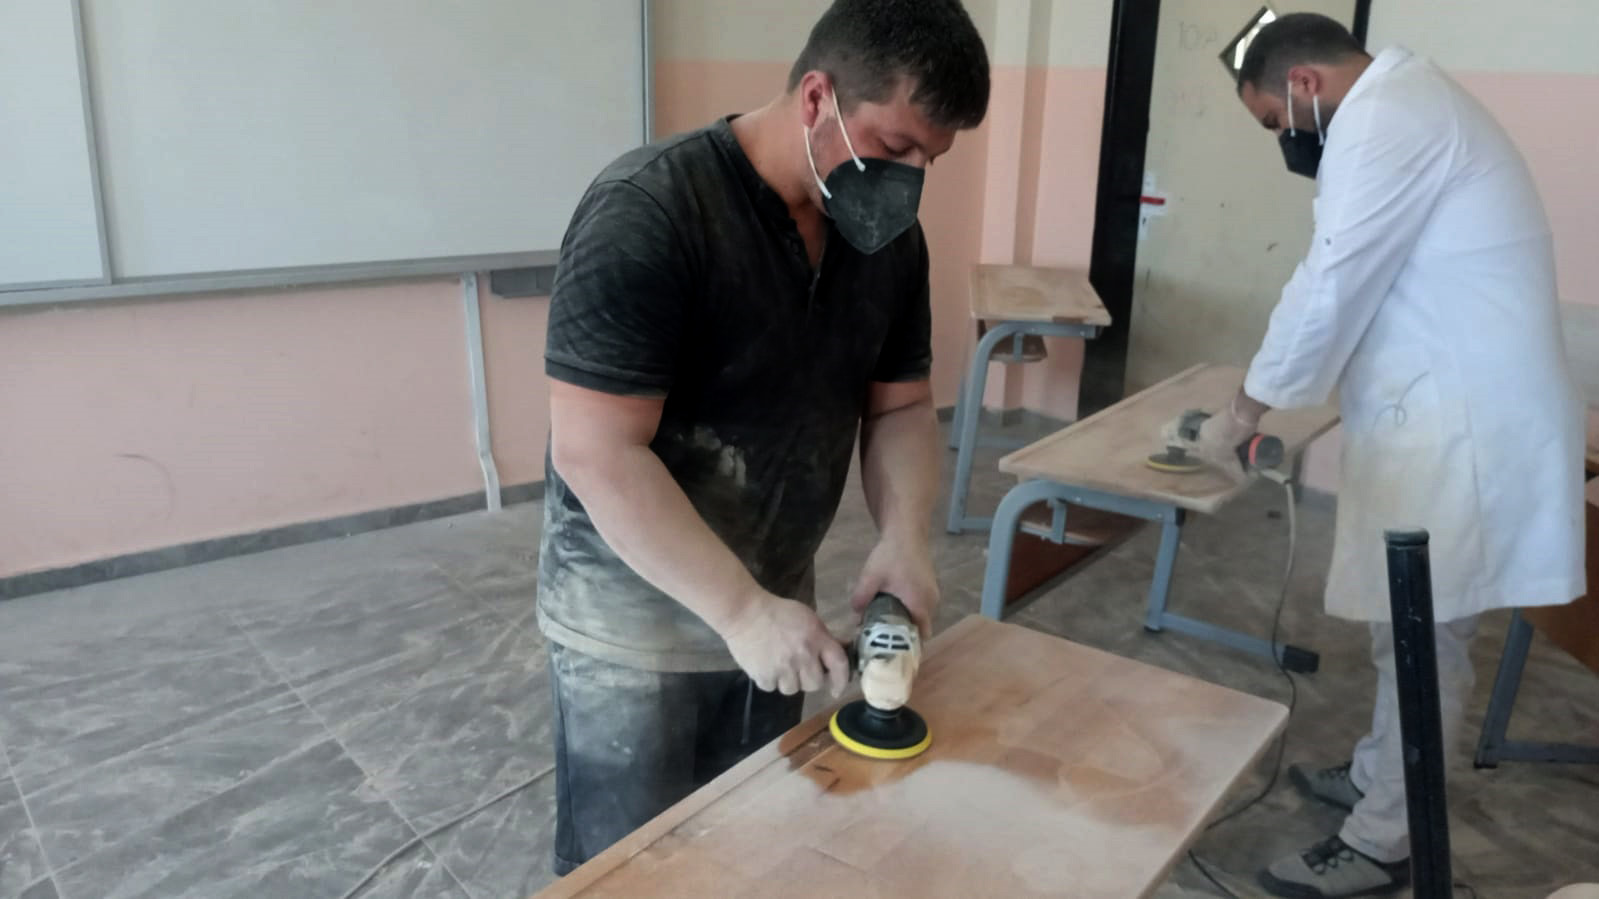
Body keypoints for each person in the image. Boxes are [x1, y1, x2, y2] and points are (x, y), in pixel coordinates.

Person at [535, 0, 990, 875]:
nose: (907, 179)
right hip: (636, 622)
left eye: (929, 160)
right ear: (816, 97)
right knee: (628, 873)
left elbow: (898, 408)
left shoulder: (886, 242)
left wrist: (904, 539)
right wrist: (739, 611)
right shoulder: (649, 211)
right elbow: (595, 450)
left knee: (744, 857)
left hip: (779, 610)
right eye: (894, 146)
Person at [1167, 13, 1585, 899]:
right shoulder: (1407, 103)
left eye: (1274, 121)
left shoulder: (1388, 117)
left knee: (1422, 631)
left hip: (1464, 426)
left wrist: (1243, 411)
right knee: (1405, 629)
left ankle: (1385, 838)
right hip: (1446, 409)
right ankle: (1376, 775)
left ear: (1302, 84)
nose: (1282, 140)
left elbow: (1329, 283)